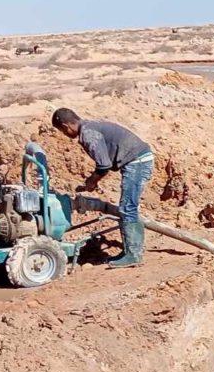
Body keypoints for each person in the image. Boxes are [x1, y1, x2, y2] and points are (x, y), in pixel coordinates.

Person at [51, 107, 154, 268]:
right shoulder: (89, 127)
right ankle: (129, 251)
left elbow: (104, 165)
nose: (65, 134)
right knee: (127, 207)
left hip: (138, 162)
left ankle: (133, 255)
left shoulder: (88, 134)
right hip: (136, 160)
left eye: (63, 131)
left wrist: (92, 181)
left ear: (66, 126)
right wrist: (92, 180)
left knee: (128, 208)